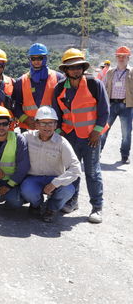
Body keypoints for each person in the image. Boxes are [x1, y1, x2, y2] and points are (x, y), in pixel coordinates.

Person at [53, 48, 109, 223]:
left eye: (78, 67)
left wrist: (96, 132)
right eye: (71, 67)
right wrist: (59, 134)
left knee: (92, 172)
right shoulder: (59, 88)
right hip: (69, 137)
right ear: (66, 70)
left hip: (90, 137)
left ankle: (97, 207)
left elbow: (104, 111)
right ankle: (72, 201)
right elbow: (57, 115)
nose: (75, 70)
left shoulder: (94, 84)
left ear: (83, 68)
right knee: (72, 171)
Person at [20, 106, 81, 222]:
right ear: (36, 124)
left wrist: (55, 183)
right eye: (43, 123)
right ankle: (36, 205)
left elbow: (76, 168)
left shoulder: (62, 143)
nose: (47, 127)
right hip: (34, 179)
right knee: (27, 189)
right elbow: (10, 139)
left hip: (55, 178)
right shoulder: (27, 137)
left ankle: (51, 208)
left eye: (51, 123)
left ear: (56, 125)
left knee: (68, 190)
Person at [13, 43, 64, 131]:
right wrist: (25, 119)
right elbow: (15, 105)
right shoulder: (21, 81)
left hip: (51, 129)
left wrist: (59, 128)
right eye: (33, 58)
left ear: (45, 58)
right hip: (28, 128)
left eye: (40, 58)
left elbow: (63, 106)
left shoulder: (58, 78)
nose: (36, 61)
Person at [101, 46, 132, 164]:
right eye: (119, 56)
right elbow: (102, 87)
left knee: (126, 133)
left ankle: (125, 155)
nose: (121, 58)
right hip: (111, 105)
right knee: (103, 130)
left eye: (123, 56)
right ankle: (97, 153)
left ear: (128, 58)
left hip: (126, 106)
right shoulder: (110, 72)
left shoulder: (132, 72)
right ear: (116, 57)